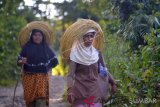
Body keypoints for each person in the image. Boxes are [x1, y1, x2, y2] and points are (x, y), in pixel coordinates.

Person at [60, 19, 117, 107]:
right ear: (81, 38)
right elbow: (70, 75)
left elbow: (103, 70)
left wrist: (113, 83)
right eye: (86, 36)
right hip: (80, 92)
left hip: (94, 91)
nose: (89, 39)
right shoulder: (75, 54)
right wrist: (70, 90)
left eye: (91, 36)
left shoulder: (97, 53)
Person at [17, 21, 58, 107]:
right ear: (31, 36)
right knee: (30, 99)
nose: (37, 37)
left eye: (39, 35)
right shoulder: (27, 47)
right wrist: (22, 61)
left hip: (42, 77)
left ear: (42, 37)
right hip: (29, 77)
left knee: (41, 98)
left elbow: (54, 60)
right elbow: (19, 61)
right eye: (35, 35)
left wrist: (47, 66)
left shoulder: (45, 47)